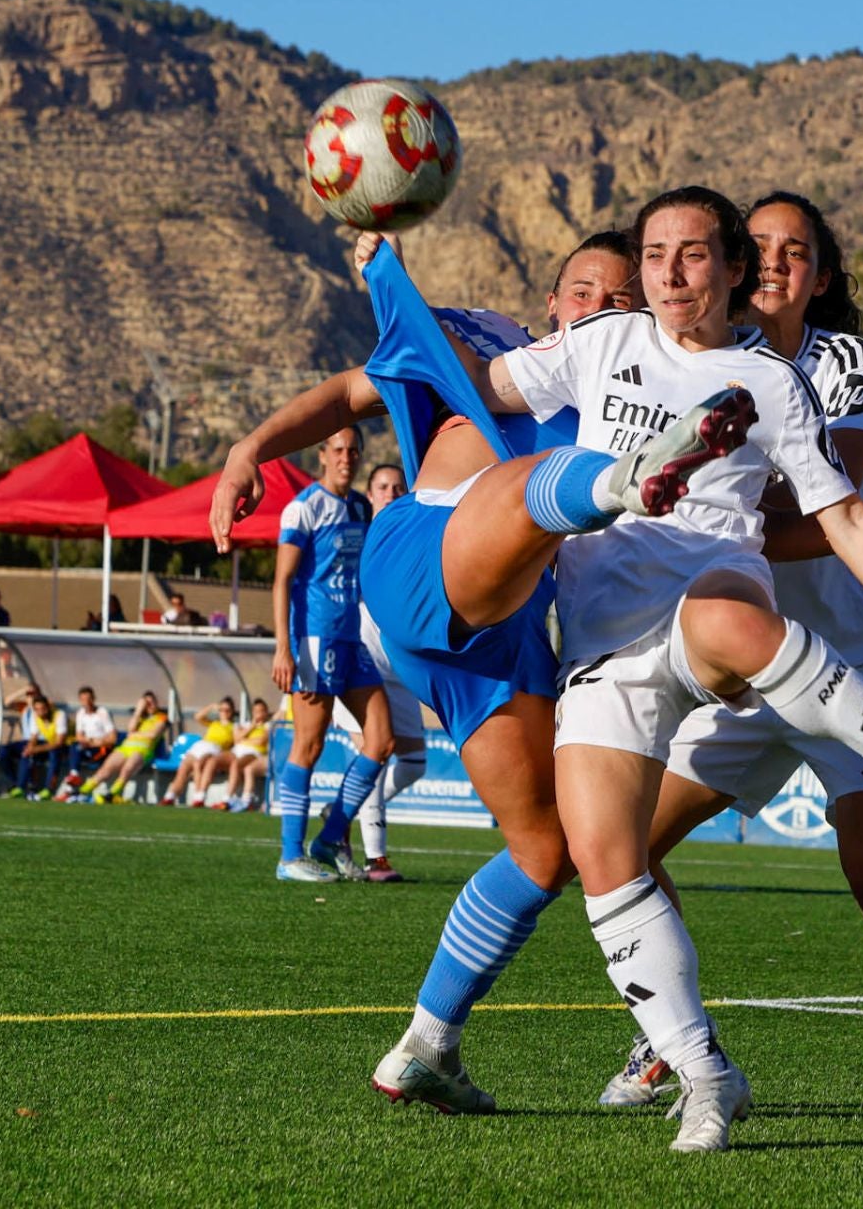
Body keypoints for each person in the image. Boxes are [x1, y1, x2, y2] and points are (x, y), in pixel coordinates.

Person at [488, 186, 863, 1150]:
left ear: (811, 275)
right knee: (617, 848)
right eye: (762, 243)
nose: (774, 261)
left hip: (841, 654)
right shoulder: (628, 343)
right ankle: (684, 1055)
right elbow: (491, 389)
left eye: (791, 251)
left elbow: (837, 504)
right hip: (704, 654)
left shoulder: (829, 366)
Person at [212, 224, 754, 1131]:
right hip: (425, 555)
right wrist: (248, 451)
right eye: (584, 292)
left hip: (503, 631)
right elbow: (359, 385)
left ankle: (427, 1043)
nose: (601, 309)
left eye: (621, 300)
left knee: (548, 848)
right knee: (528, 483)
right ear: (550, 304)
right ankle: (620, 482)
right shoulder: (497, 345)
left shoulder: (646, 379)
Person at [269, 426, 395, 882]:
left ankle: (330, 836)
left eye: (354, 450)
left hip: (350, 638)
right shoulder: (304, 508)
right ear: (322, 455)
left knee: (381, 739)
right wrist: (284, 647)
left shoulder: (360, 506)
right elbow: (282, 580)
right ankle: (289, 856)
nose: (347, 457)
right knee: (309, 743)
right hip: (313, 639)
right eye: (339, 450)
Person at [329, 462, 426, 882]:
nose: (390, 492)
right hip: (360, 660)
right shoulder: (356, 537)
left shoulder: (414, 538)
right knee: (377, 755)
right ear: (370, 495)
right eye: (382, 487)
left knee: (415, 763)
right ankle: (375, 858)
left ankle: (343, 813)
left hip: (398, 664)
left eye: (397, 487)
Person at [61, 692, 168, 803]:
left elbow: (153, 735)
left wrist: (135, 734)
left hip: (142, 750)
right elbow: (130, 729)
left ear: (156, 703)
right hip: (125, 748)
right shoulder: (139, 717)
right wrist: (138, 710)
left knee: (127, 768)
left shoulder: (161, 717)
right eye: (146, 703)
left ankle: (112, 794)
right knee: (106, 769)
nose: (149, 705)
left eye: (151, 702)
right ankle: (82, 791)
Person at [161, 697, 237, 806]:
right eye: (221, 710)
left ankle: (199, 796)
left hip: (215, 748)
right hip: (202, 745)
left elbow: (234, 742)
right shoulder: (214, 723)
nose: (223, 713)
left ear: (232, 712)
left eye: (227, 710)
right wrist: (211, 707)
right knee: (184, 766)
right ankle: (170, 796)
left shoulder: (233, 727)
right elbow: (197, 717)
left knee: (198, 764)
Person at [13, 690, 70, 799]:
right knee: (26, 751)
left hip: (67, 746)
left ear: (48, 707)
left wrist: (36, 749)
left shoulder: (59, 715)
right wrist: (29, 748)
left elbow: (59, 742)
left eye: (43, 709)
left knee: (54, 752)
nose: (41, 712)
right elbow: (33, 737)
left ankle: (48, 789)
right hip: (50, 744)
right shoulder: (36, 716)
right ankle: (20, 787)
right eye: (37, 710)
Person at [223, 698, 274, 812]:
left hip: (255, 753)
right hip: (239, 751)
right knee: (215, 761)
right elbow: (236, 739)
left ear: (265, 712)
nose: (258, 714)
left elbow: (261, 741)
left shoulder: (268, 725)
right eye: (256, 711)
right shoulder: (247, 725)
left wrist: (244, 740)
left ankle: (228, 798)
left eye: (261, 711)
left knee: (238, 764)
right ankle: (241, 799)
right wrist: (252, 727)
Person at [63, 686, 118, 790]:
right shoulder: (80, 713)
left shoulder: (102, 712)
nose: (86, 702)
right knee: (74, 746)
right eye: (83, 700)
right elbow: (79, 736)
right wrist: (87, 741)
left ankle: (91, 789)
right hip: (88, 746)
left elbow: (113, 738)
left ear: (94, 699)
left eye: (89, 699)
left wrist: (95, 742)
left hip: (102, 747)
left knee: (92, 754)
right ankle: (74, 775)